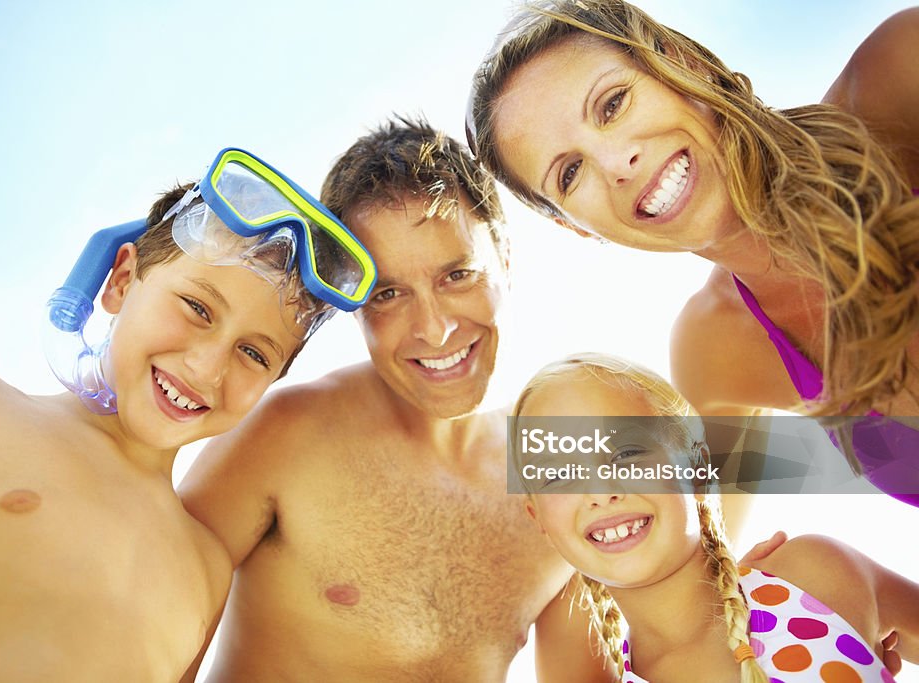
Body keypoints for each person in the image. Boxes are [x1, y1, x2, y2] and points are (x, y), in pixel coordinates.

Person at [0, 148, 374, 682]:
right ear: (121, 281)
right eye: (197, 308)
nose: (207, 367)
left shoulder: (206, 568)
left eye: (255, 354)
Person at [179, 117, 622, 683]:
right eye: (389, 294)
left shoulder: (558, 468)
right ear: (351, 301)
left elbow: (733, 457)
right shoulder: (287, 433)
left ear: (505, 261)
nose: (434, 330)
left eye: (458, 275)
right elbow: (156, 631)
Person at [466, 0, 919, 504]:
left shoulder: (900, 75)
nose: (618, 163)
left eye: (613, 104)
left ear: (682, 64)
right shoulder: (716, 348)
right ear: (573, 226)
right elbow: (712, 550)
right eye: (570, 173)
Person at [512, 352, 918, 682]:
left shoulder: (811, 578)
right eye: (559, 475)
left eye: (626, 454)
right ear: (539, 520)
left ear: (696, 463)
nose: (600, 492)